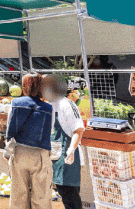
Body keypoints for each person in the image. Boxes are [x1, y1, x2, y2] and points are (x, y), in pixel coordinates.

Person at [5, 73, 53, 209]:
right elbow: (50, 131)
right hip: (40, 154)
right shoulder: (48, 108)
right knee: (41, 197)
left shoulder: (15, 104)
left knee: (18, 195)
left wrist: (7, 153)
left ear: (24, 86)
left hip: (19, 152)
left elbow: (9, 130)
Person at [43, 76, 85, 209]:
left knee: (70, 195)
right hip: (55, 155)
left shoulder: (67, 104)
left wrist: (71, 150)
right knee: (63, 192)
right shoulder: (47, 104)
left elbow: (78, 130)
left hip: (67, 157)